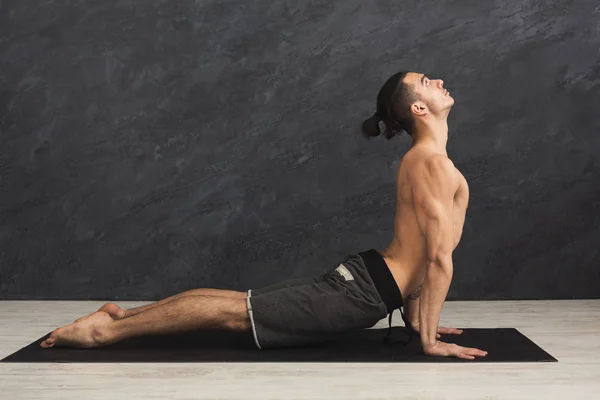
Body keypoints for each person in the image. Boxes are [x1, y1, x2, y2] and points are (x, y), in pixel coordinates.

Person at [40, 71, 487, 360]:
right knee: (236, 312)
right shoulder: (433, 163)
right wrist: (428, 341)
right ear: (418, 108)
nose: (440, 80)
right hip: (365, 292)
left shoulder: (424, 159)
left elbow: (425, 251)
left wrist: (417, 318)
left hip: (369, 278)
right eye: (428, 81)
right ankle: (105, 334)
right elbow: (438, 259)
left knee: (240, 303)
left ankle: (122, 318)